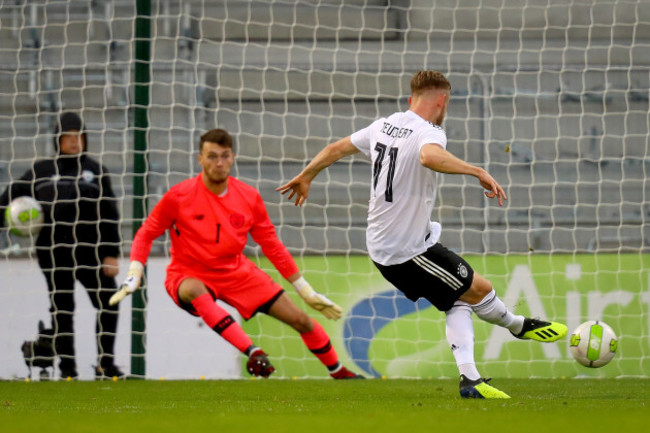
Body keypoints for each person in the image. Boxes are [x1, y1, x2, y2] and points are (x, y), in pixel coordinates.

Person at [277, 70, 567, 398]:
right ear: (442, 100)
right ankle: (514, 329)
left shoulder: (382, 125)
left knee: (459, 298)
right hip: (404, 251)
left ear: (410, 98)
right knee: (477, 290)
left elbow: (336, 148)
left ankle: (474, 375)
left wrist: (306, 175)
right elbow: (429, 156)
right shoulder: (429, 132)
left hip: (398, 241)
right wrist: (477, 171)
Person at [109, 128, 362, 379]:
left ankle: (339, 372)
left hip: (236, 272)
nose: (219, 163)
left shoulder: (248, 197)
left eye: (225, 156)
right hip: (188, 274)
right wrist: (134, 271)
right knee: (195, 289)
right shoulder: (178, 196)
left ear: (232, 157)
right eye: (212, 156)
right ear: (200, 159)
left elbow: (271, 244)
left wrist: (305, 290)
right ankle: (253, 351)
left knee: (301, 320)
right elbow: (146, 233)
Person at [0, 112, 124, 380]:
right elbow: (8, 198)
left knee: (109, 302)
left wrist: (111, 253)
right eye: (67, 137)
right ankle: (68, 370)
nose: (73, 142)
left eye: (78, 137)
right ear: (58, 139)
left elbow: (110, 213)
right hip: (53, 253)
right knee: (62, 310)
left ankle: (106, 365)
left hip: (91, 252)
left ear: (84, 139)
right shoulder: (41, 171)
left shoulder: (95, 170)